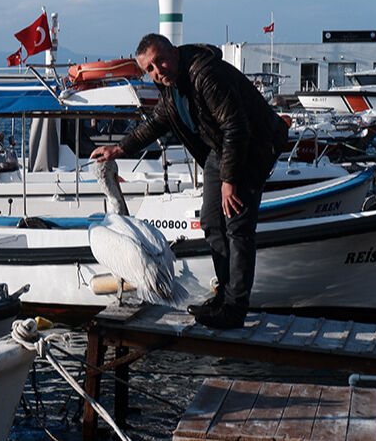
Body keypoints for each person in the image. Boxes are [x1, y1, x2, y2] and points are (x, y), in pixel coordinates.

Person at [90, 34, 288, 329]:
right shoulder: (169, 85)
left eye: (160, 60)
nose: (158, 70)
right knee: (211, 221)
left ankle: (235, 308)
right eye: (150, 68)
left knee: (237, 225)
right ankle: (224, 296)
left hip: (252, 146)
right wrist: (119, 149)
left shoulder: (206, 75)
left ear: (174, 51)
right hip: (221, 148)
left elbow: (236, 127)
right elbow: (159, 121)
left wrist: (230, 180)